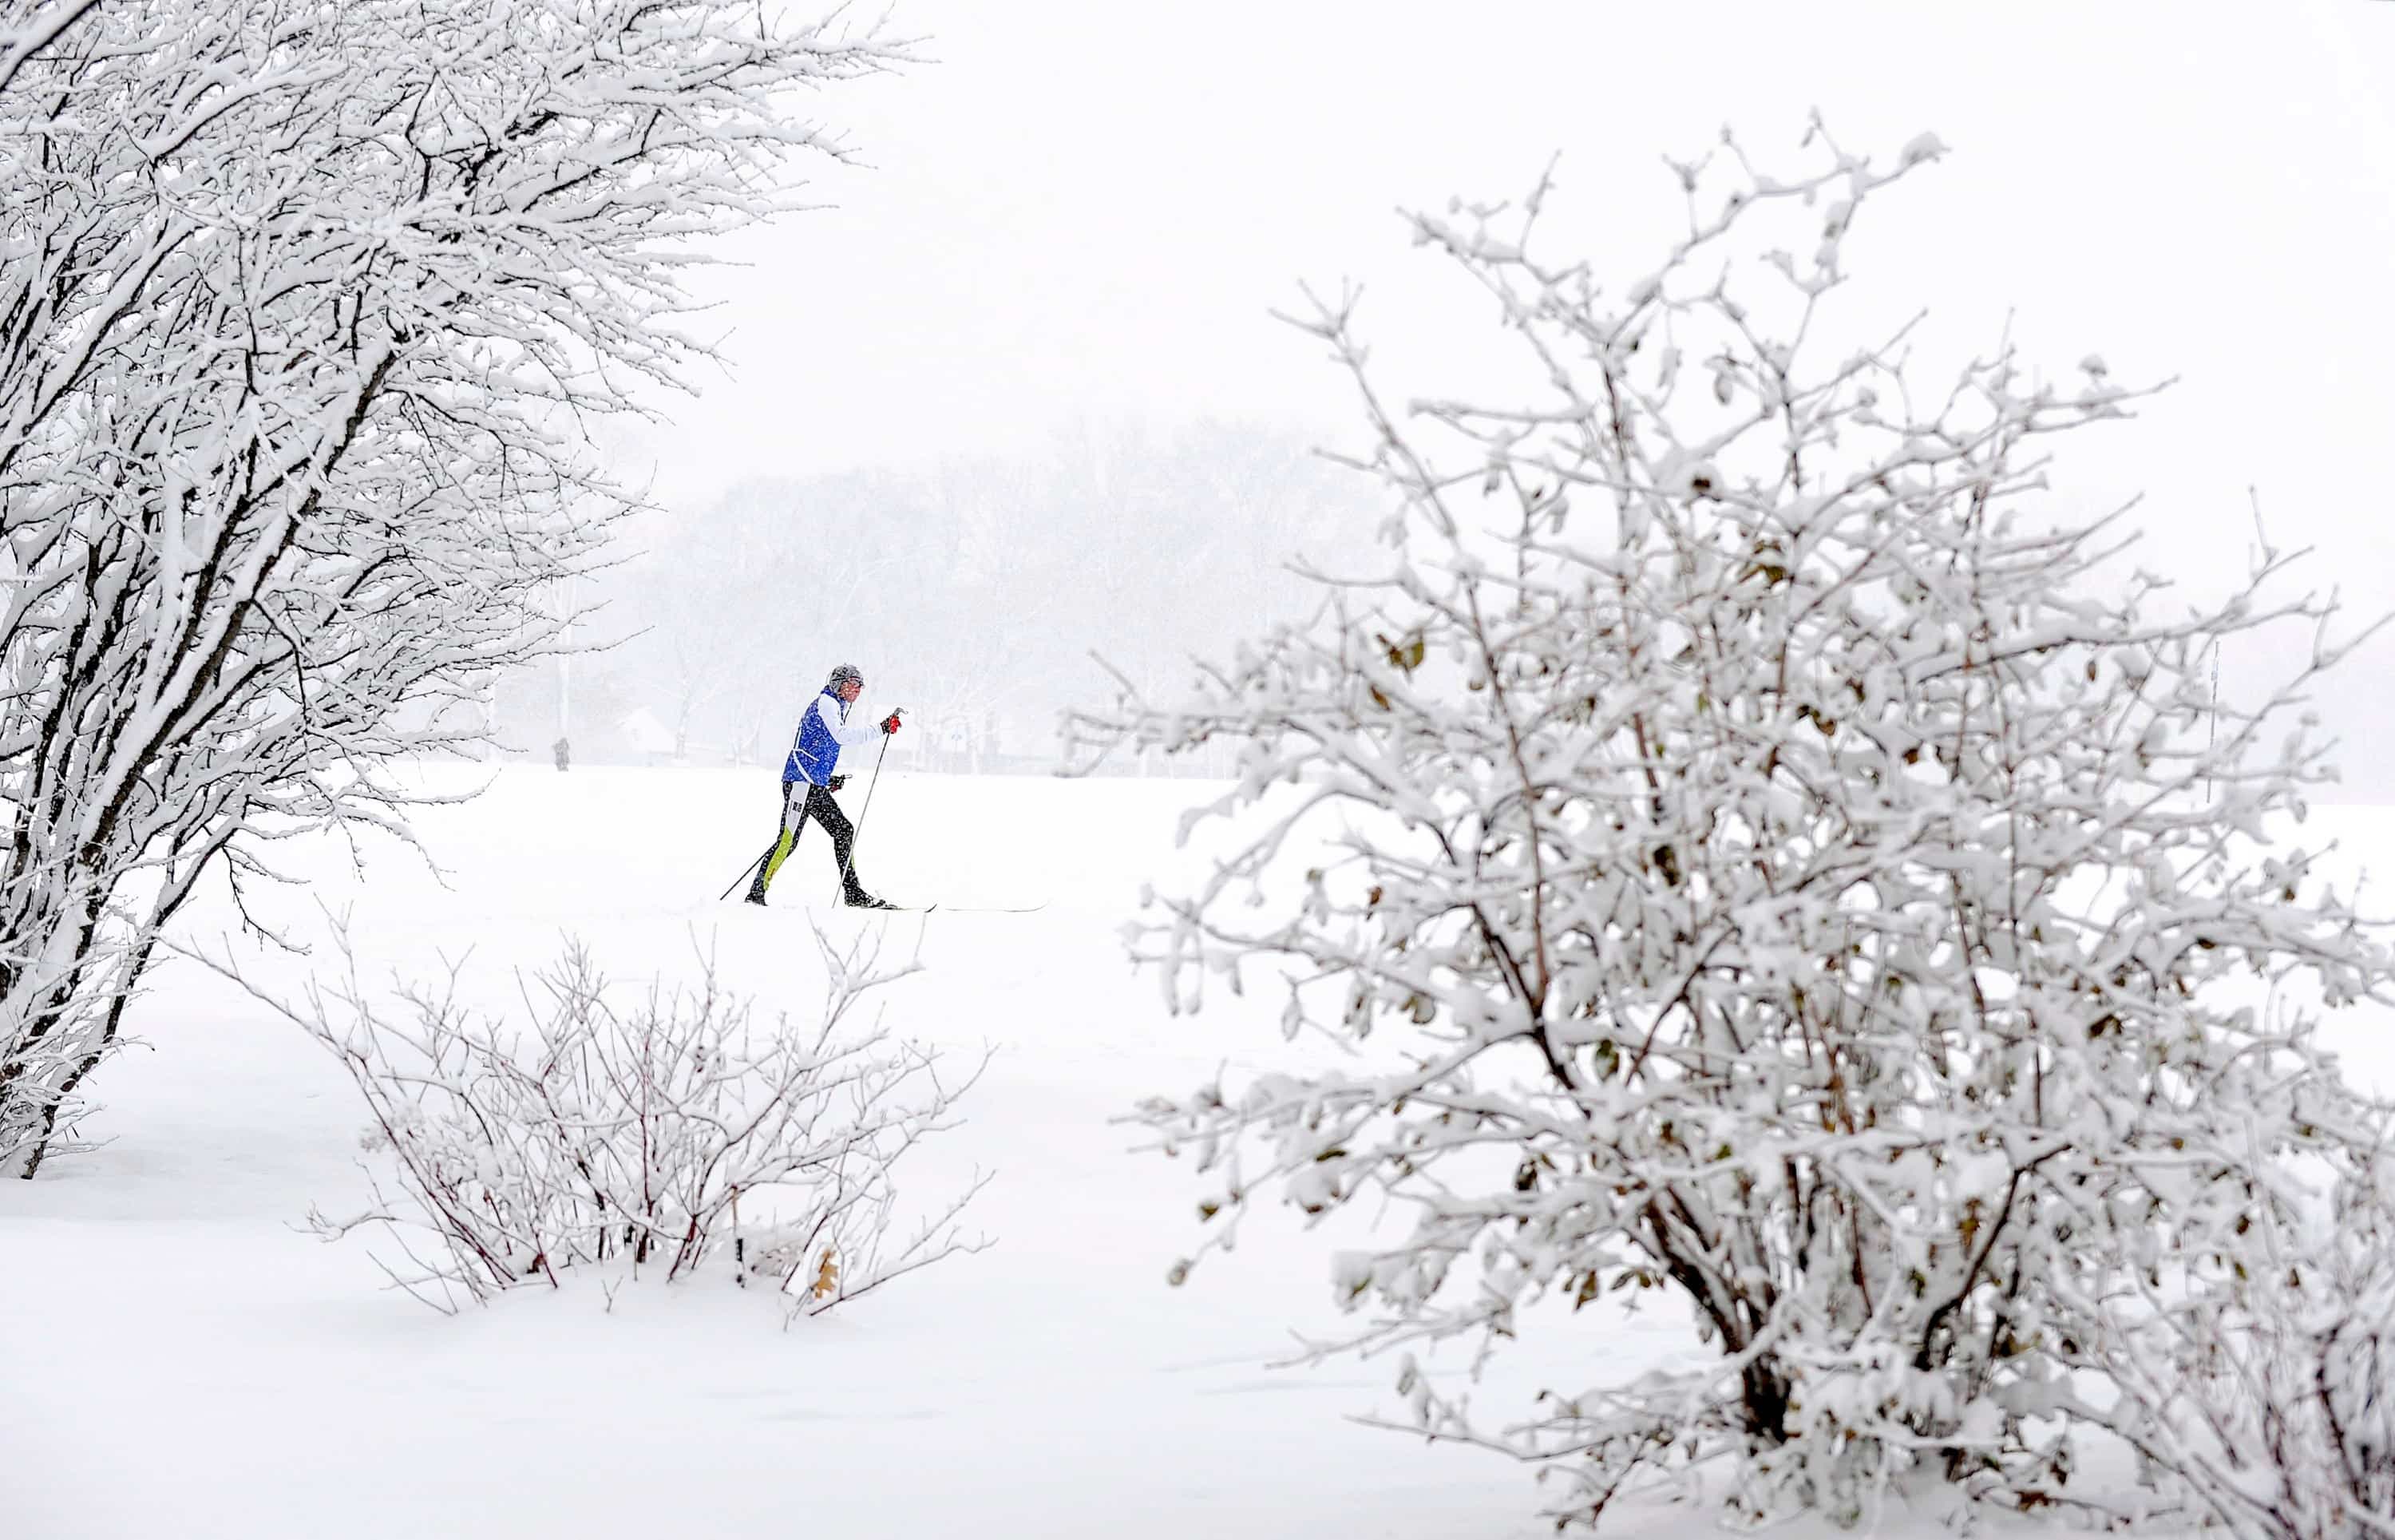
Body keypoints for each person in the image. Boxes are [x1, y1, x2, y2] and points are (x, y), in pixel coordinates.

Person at [744, 663, 903, 908]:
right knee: (788, 841)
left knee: (843, 831)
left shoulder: (836, 705)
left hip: (811, 783)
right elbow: (841, 736)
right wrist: (881, 728)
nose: (858, 690)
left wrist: (826, 779)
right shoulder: (827, 703)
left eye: (860, 685)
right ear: (839, 684)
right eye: (852, 684)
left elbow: (816, 745)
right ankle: (755, 895)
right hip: (801, 782)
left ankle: (853, 893)